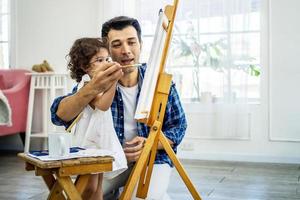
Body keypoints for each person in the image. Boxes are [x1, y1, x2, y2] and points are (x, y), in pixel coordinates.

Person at [51, 16, 187, 199]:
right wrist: (93, 88)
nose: (126, 51)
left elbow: (178, 127)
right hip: (111, 162)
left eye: (132, 42)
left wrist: (148, 144)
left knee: (144, 197)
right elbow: (58, 115)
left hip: (152, 160)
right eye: (116, 45)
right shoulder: (94, 80)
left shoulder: (158, 81)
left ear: (140, 45)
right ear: (107, 50)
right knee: (79, 195)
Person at [65, 37, 127, 200]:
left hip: (99, 139)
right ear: (85, 66)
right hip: (89, 142)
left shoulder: (98, 82)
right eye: (99, 60)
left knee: (98, 184)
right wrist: (114, 81)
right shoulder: (88, 84)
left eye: (107, 59)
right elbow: (103, 105)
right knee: (89, 185)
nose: (106, 63)